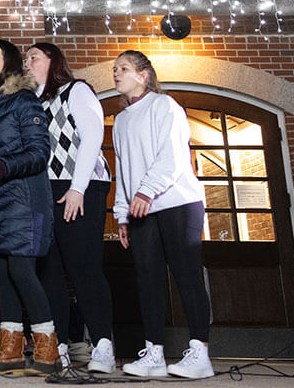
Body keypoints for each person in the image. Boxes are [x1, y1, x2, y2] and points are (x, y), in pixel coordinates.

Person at [111, 50, 213, 379]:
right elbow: (124, 170)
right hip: (142, 210)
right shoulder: (122, 119)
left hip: (178, 203)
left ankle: (200, 354)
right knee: (148, 281)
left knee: (187, 276)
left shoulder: (164, 106)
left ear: (143, 75)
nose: (116, 74)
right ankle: (153, 354)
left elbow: (172, 155)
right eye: (114, 69)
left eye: (123, 68)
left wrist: (147, 190)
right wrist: (123, 214)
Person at [0, 39, 58, 375]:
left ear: (8, 62)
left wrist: (3, 167)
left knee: (20, 270)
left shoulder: (23, 100)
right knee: (2, 274)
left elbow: (38, 152)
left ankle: (49, 349)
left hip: (24, 199)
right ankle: (11, 350)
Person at [24, 42, 116, 372]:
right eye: (26, 58)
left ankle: (103, 344)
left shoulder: (75, 90)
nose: (28, 62)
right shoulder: (32, 101)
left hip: (81, 185)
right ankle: (58, 345)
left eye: (34, 57)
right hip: (46, 188)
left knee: (84, 266)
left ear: (52, 61)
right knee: (50, 270)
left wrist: (78, 189)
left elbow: (92, 135)